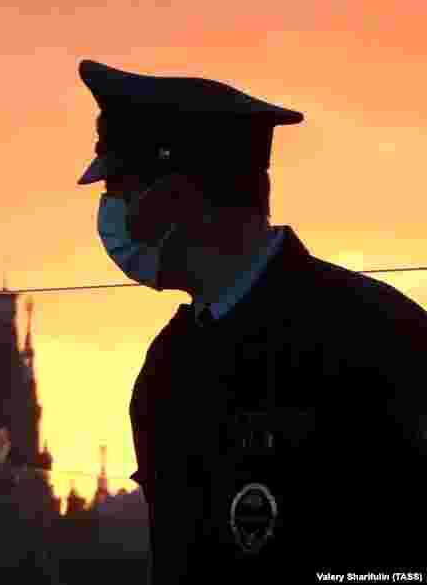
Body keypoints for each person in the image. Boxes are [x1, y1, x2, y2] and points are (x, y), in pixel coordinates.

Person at [75, 59, 427, 583]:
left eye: (119, 193)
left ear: (176, 198)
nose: (110, 215)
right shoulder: (169, 366)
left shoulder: (378, 334)